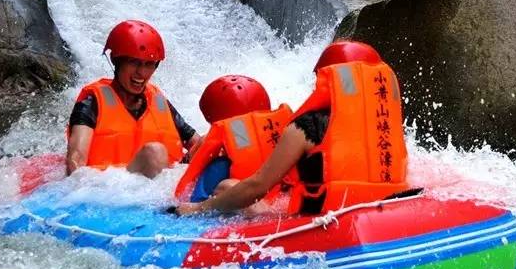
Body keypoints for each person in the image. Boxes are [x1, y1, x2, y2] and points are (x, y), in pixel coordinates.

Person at [174, 40, 410, 216]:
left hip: (319, 222)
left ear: (326, 79)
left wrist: (199, 208)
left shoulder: (306, 127)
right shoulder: (385, 124)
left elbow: (257, 186)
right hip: (383, 212)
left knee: (228, 187)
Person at [66, 20, 200, 178]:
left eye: (149, 64)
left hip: (165, 189)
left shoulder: (157, 100)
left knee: (207, 142)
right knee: (154, 152)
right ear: (116, 60)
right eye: (134, 62)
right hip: (109, 189)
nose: (142, 73)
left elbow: (196, 143)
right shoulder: (92, 101)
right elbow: (77, 160)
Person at [174, 75, 295, 204]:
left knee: (225, 186)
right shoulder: (290, 132)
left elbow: (194, 198)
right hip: (289, 198)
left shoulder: (220, 163)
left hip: (256, 208)